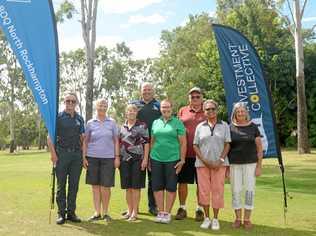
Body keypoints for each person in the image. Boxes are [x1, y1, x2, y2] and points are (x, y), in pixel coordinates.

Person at [48, 92, 85, 225]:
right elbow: (49, 137)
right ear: (64, 102)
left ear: (76, 103)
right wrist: (53, 154)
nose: (70, 103)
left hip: (76, 156)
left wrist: (83, 155)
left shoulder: (80, 119)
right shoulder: (57, 117)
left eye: (73, 101)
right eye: (68, 101)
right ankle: (61, 214)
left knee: (74, 186)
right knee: (61, 185)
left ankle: (71, 213)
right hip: (62, 154)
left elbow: (83, 139)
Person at [193, 99, 231, 230]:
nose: (210, 111)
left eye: (212, 109)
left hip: (219, 164)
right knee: (203, 191)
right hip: (202, 164)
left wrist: (220, 161)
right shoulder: (200, 127)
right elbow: (195, 145)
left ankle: (215, 219)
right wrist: (205, 160)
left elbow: (227, 144)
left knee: (217, 190)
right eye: (207, 109)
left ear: (217, 110)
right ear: (204, 112)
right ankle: (206, 218)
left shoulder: (224, 125)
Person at [82, 99, 120, 222]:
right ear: (96, 107)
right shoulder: (90, 123)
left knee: (106, 187)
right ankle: (97, 212)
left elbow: (116, 141)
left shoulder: (112, 123)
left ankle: (105, 212)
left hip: (109, 158)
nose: (102, 107)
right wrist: (84, 157)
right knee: (95, 187)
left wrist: (117, 157)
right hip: (92, 157)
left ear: (107, 107)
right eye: (100, 105)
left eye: (104, 105)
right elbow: (85, 141)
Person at [150, 99, 187, 224]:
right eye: (163, 107)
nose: (165, 109)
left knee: (171, 187)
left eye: (167, 107)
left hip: (172, 159)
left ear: (172, 108)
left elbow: (183, 143)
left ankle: (167, 213)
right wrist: (149, 157)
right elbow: (152, 141)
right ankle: (161, 212)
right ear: (160, 109)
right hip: (156, 158)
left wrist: (182, 159)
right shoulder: (155, 122)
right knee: (157, 187)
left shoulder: (178, 123)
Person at [228, 102, 263, 230]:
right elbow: (226, 148)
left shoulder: (253, 127)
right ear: (235, 114)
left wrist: (259, 166)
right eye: (238, 112)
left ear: (246, 113)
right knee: (235, 191)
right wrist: (226, 168)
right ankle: (237, 218)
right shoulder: (230, 127)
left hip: (251, 164)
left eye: (243, 111)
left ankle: (247, 219)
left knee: (249, 191)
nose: (241, 113)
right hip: (234, 164)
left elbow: (259, 148)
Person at [176, 87, 206, 221]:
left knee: (201, 184)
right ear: (189, 98)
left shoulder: (208, 110)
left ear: (202, 98)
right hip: (184, 154)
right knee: (182, 182)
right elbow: (176, 128)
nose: (195, 99)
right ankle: (182, 208)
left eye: (197, 96)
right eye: (192, 97)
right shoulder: (182, 110)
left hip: (202, 155)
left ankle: (199, 210)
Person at [131, 82, 161, 216]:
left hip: (154, 145)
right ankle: (133, 207)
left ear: (153, 91)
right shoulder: (134, 104)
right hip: (136, 145)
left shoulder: (158, 105)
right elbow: (128, 119)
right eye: (145, 90)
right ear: (140, 91)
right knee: (135, 177)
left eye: (149, 89)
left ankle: (152, 206)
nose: (147, 92)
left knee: (153, 178)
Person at [119, 104, 150, 221]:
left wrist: (145, 159)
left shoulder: (142, 126)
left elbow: (147, 143)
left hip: (138, 160)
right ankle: (129, 210)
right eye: (129, 111)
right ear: (126, 113)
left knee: (136, 187)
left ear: (136, 113)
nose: (131, 112)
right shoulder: (122, 127)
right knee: (128, 188)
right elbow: (119, 143)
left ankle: (135, 213)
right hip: (124, 160)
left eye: (133, 110)